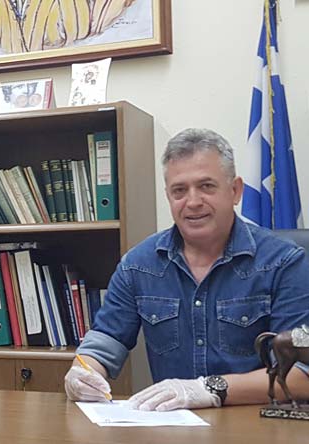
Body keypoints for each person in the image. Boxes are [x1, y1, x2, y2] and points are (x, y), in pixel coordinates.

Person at [64, 128, 309, 411]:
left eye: (206, 186)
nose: (192, 202)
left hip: (256, 424)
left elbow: (301, 375)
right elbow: (106, 340)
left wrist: (209, 388)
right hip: (172, 426)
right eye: (179, 190)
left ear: (235, 191)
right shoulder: (138, 265)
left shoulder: (285, 262)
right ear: (168, 196)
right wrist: (83, 372)